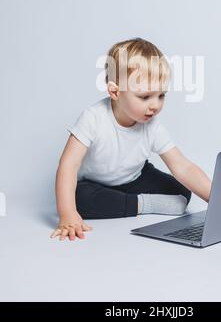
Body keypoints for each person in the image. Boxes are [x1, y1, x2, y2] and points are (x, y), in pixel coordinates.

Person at [50, 37, 211, 241]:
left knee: (182, 190)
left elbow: (183, 167)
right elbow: (68, 165)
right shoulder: (93, 118)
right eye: (145, 97)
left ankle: (129, 200)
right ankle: (143, 204)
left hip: (135, 177)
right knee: (78, 199)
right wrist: (67, 214)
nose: (155, 105)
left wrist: (216, 198)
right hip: (96, 184)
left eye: (161, 95)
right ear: (115, 91)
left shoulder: (152, 125)